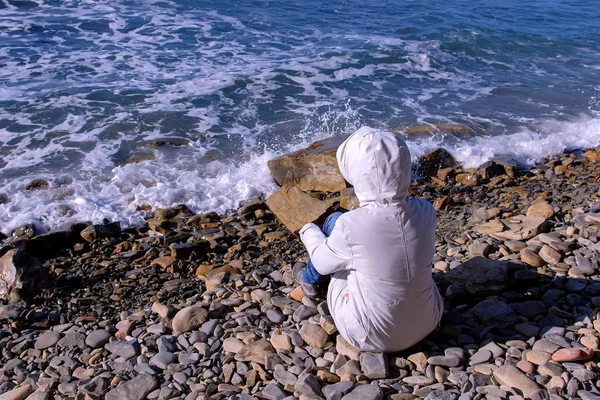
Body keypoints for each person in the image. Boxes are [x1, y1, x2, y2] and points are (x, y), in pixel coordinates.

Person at [293, 127, 444, 353]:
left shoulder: (351, 226)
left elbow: (322, 261)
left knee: (336, 242)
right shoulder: (425, 210)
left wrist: (307, 229)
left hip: (372, 335)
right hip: (429, 320)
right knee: (342, 228)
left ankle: (307, 280)